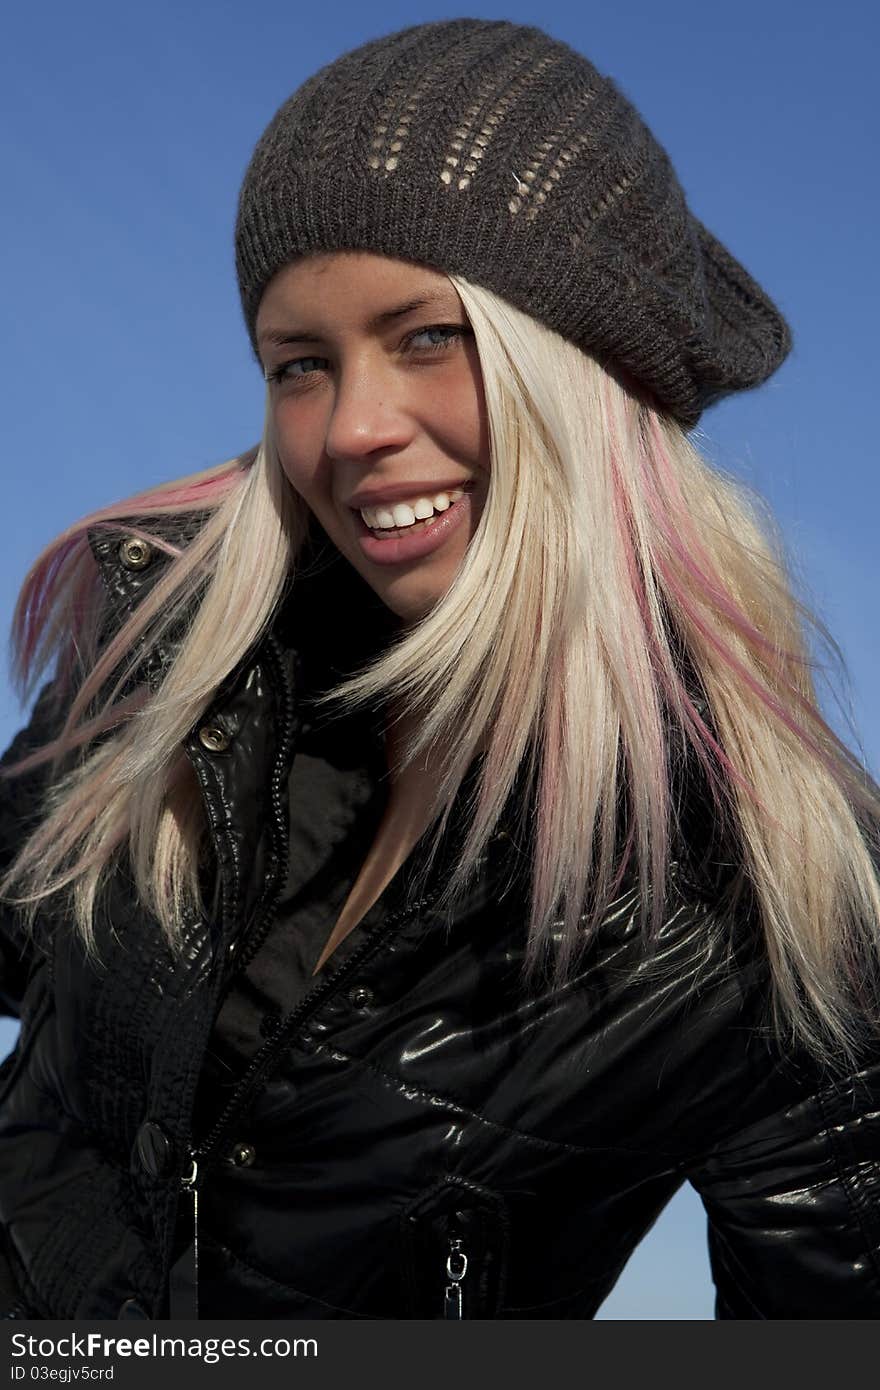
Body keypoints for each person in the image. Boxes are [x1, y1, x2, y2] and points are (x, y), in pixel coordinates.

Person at [1, 17, 879, 1323]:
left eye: (426, 337)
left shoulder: (771, 893)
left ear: (581, 373)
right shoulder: (176, 648)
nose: (351, 427)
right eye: (301, 363)